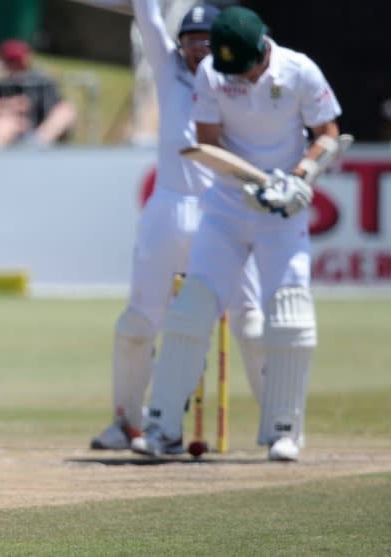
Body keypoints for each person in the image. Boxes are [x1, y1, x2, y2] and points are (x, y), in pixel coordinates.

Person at [132, 5, 342, 461]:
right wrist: (253, 182)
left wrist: (299, 176)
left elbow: (327, 133)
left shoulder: (299, 70)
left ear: (263, 50)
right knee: (191, 310)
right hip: (226, 207)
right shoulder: (212, 71)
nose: (237, 79)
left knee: (288, 314)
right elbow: (208, 140)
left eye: (243, 69)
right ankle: (162, 428)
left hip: (282, 212)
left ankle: (284, 430)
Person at [90, 0, 266, 452]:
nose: (197, 50)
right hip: (167, 209)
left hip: (223, 211)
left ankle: (277, 425)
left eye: (207, 42)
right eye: (190, 41)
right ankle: (126, 422)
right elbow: (148, 17)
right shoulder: (168, 72)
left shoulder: (236, 83)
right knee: (138, 321)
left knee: (251, 321)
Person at [0, 38, 77, 148]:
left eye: (17, 61)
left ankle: (38, 145)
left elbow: (40, 106)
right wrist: (6, 106)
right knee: (6, 121)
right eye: (10, 61)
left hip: (41, 131)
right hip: (14, 129)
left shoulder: (41, 80)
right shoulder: (2, 84)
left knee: (66, 110)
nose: (15, 65)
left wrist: (4, 106)